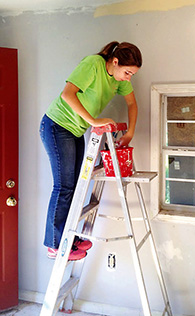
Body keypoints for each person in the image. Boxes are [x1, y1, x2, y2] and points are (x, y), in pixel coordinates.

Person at [39, 41, 142, 261]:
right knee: (64, 187)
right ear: (115, 62)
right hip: (57, 126)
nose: (128, 77)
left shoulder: (119, 80)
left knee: (74, 187)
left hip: (75, 131)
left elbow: (132, 104)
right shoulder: (93, 64)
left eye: (132, 74)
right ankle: (55, 245)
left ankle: (69, 237)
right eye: (127, 72)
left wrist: (130, 133)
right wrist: (94, 121)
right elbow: (68, 94)